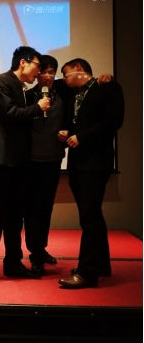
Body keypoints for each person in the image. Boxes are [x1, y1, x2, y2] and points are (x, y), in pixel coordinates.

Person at [0, 46, 51, 284]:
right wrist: (38, 108)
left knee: (16, 215)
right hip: (1, 159)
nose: (38, 72)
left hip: (19, 160)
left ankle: (13, 263)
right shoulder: (1, 81)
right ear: (23, 62)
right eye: (37, 66)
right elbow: (10, 112)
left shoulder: (22, 88)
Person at [57, 58, 124, 289]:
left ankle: (86, 273)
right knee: (93, 215)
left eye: (66, 73)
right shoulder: (73, 93)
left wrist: (82, 137)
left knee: (89, 218)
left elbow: (114, 121)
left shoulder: (107, 87)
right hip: (78, 163)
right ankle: (101, 265)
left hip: (95, 163)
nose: (64, 79)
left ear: (78, 69)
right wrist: (66, 133)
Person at [24, 55, 67, 275]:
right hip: (31, 160)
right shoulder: (27, 96)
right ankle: (35, 254)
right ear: (37, 72)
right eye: (44, 71)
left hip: (53, 158)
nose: (48, 76)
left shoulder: (63, 94)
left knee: (46, 207)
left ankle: (40, 248)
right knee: (32, 208)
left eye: (52, 72)